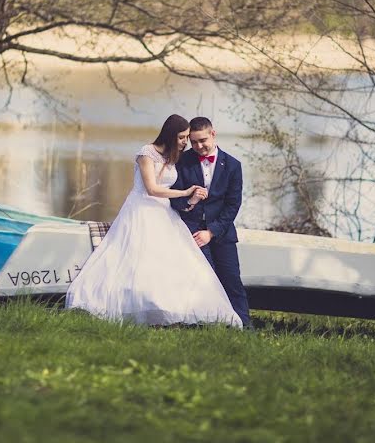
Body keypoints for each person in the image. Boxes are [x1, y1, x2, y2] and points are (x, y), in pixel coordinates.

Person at [65, 114, 242, 328]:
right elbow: (151, 189)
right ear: (170, 135)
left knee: (169, 262)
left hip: (166, 213)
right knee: (137, 260)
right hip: (142, 210)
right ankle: (138, 307)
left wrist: (191, 201)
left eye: (189, 138)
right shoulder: (146, 153)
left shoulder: (177, 156)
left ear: (213, 134)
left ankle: (178, 309)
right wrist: (185, 192)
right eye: (183, 138)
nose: (187, 143)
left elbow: (232, 203)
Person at [170, 117, 251, 328]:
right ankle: (205, 325)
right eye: (193, 142)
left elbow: (233, 205)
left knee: (232, 281)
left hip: (222, 233)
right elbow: (174, 200)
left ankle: (244, 327)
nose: (198, 146)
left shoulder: (233, 166)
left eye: (202, 140)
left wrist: (211, 232)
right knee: (204, 281)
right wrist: (190, 200)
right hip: (190, 232)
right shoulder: (182, 161)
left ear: (213, 134)